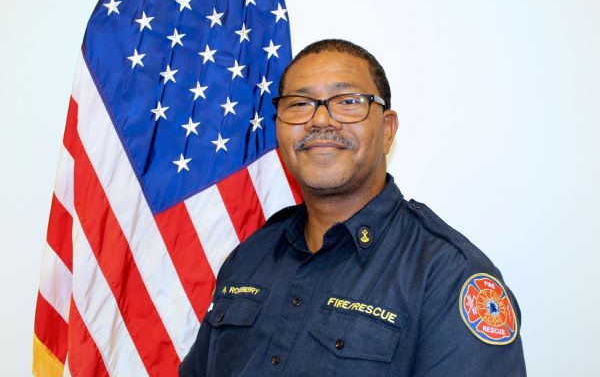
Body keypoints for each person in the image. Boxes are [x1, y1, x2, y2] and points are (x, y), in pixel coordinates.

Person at [179, 39, 526, 376]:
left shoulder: (448, 276)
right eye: (299, 104)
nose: (320, 120)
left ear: (387, 130)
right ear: (278, 129)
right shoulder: (251, 255)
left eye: (347, 101)